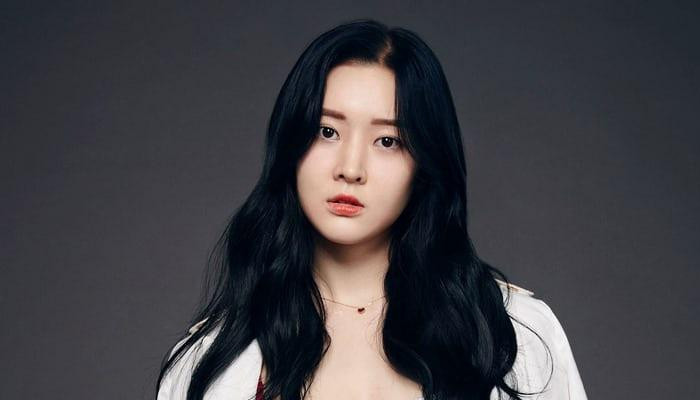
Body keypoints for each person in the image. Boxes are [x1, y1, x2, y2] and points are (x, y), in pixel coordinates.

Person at [156, 19, 587, 400]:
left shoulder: (515, 334)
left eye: (387, 141)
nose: (350, 168)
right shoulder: (210, 362)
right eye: (326, 131)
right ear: (290, 144)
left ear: (424, 163)